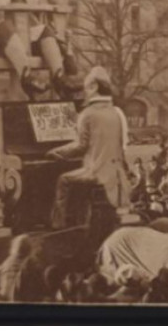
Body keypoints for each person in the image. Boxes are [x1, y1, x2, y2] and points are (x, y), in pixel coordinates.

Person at [50, 67, 131, 229]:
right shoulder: (117, 112)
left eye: (86, 88)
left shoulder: (87, 114)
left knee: (63, 180)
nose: (85, 93)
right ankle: (80, 218)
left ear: (94, 87)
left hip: (95, 171)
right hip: (116, 173)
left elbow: (80, 146)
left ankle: (58, 224)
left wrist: (56, 151)